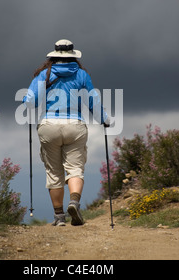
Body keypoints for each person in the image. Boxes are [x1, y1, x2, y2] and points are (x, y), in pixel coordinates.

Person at [23, 39, 109, 226]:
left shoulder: (43, 75)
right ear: (73, 56)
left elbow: (30, 102)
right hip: (74, 125)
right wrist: (104, 119)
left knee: (54, 172)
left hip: (49, 125)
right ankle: (74, 203)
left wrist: (26, 98)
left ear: (53, 55)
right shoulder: (82, 74)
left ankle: (59, 217)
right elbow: (93, 100)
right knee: (75, 168)